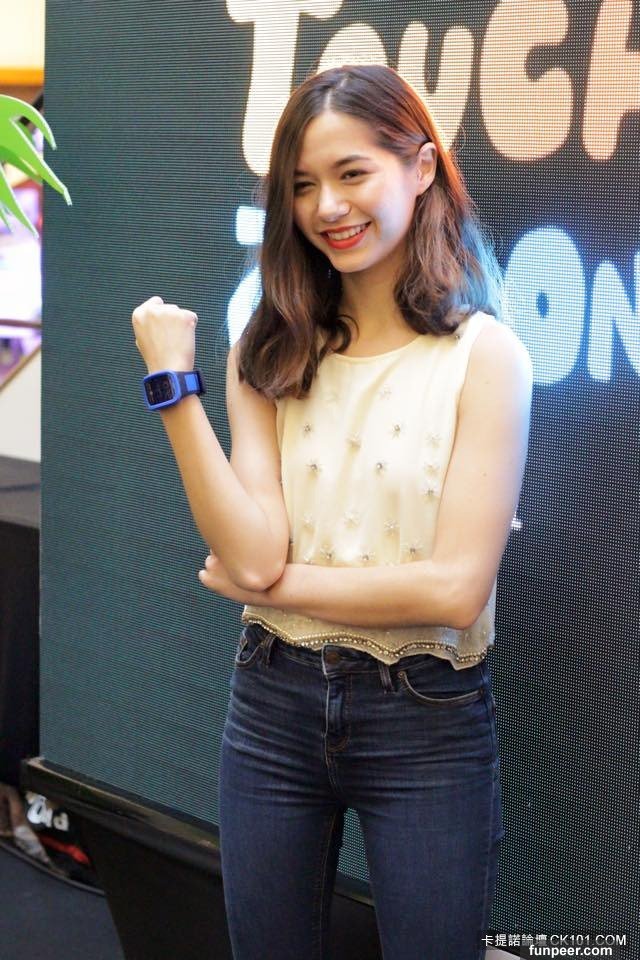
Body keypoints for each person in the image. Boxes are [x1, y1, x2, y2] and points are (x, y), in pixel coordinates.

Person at [132, 64, 532, 960]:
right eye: (304, 185)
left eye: (352, 173)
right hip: (271, 700)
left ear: (420, 168)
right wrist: (174, 388)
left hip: (425, 714)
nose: (327, 207)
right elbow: (250, 550)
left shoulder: (486, 358)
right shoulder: (270, 347)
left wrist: (274, 587)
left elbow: (455, 591)